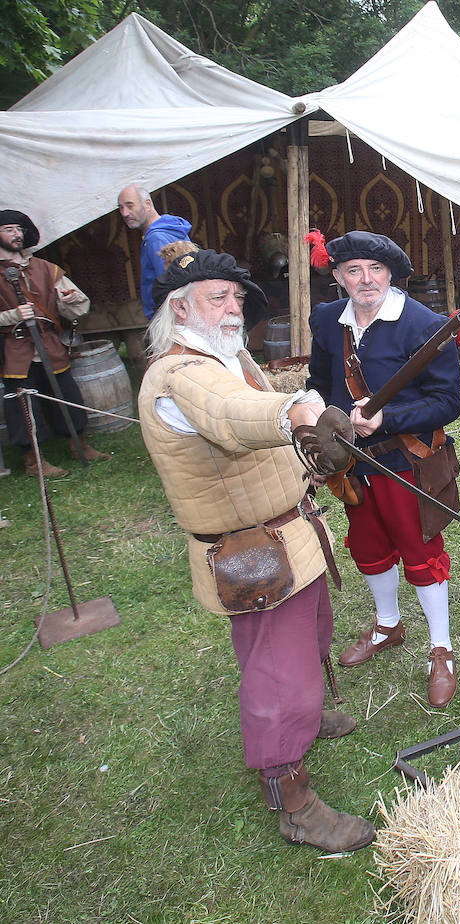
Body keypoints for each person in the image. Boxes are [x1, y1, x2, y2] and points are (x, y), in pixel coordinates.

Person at [138, 248, 374, 852]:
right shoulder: (183, 375)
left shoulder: (229, 357)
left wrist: (317, 424)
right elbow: (231, 415)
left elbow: (249, 414)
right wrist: (293, 409)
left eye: (237, 296)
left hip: (285, 531)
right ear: (180, 307)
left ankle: (310, 714)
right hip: (251, 550)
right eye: (218, 296)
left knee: (313, 631)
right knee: (278, 674)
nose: (233, 305)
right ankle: (292, 797)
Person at [306, 231, 460, 708]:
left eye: (375, 270)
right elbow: (320, 383)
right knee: (370, 547)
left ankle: (442, 649)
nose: (366, 280)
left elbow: (448, 402)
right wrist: (322, 433)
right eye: (353, 270)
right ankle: (388, 625)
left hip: (407, 461)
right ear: (337, 277)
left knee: (421, 552)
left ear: (391, 275)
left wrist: (387, 418)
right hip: (353, 464)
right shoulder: (325, 321)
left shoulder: (423, 324)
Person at [0, 209, 109, 478]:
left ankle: (79, 445)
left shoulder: (45, 269)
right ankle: (33, 461)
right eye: (9, 229)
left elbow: (78, 305)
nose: (17, 234)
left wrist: (69, 301)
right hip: (16, 349)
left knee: (67, 395)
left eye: (19, 229)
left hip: (48, 344)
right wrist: (13, 315)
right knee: (25, 406)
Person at [116, 185, 193, 320]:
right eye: (120, 208)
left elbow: (170, 285)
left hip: (169, 318)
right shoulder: (171, 228)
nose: (124, 213)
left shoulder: (156, 238)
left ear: (147, 204)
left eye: (130, 206)